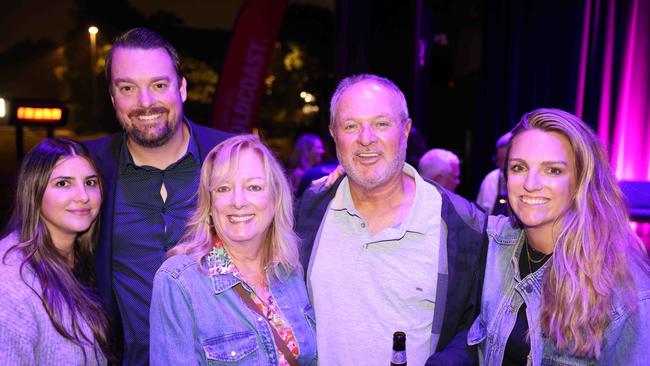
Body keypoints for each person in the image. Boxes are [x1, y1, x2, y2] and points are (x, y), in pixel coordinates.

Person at [294, 74, 487, 365]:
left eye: (381, 124)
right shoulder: (310, 210)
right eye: (351, 126)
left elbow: (476, 328)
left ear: (406, 130)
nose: (366, 139)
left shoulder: (462, 226)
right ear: (334, 134)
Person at [82, 28, 231, 364]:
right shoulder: (88, 171)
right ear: (113, 98)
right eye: (127, 88)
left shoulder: (233, 156)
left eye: (159, 85)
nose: (145, 102)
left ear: (182, 88)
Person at [468, 108, 650, 365]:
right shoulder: (497, 243)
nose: (531, 183)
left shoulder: (624, 285)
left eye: (552, 170)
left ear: (580, 182)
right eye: (518, 167)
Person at [150, 134, 317, 365]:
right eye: (223, 188)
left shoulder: (291, 269)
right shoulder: (179, 281)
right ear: (209, 204)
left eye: (254, 187)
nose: (238, 201)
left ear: (275, 198)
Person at [0, 138, 109, 365]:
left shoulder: (85, 258)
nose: (83, 196)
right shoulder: (10, 281)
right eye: (63, 184)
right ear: (34, 192)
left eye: (90, 182)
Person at [476, 132, 512, 215]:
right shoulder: (490, 179)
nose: (501, 166)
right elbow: (480, 217)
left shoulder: (526, 180)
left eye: (505, 161)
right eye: (499, 160)